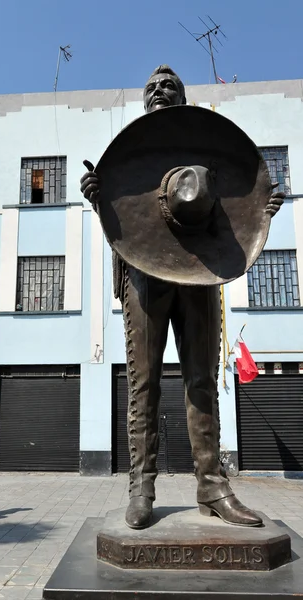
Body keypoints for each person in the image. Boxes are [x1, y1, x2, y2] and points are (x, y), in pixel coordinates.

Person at [80, 65, 285, 530]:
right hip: (143, 274)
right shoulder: (133, 159)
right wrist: (99, 197)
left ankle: (213, 487)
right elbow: (124, 223)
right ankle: (141, 487)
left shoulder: (207, 157)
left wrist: (260, 208)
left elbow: (236, 207)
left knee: (201, 381)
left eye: (168, 85)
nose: (159, 91)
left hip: (201, 271)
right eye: (152, 86)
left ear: (183, 95)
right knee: (143, 385)